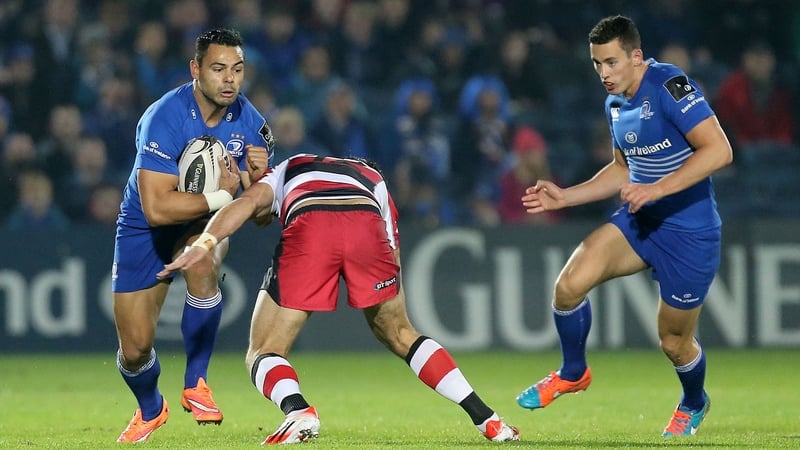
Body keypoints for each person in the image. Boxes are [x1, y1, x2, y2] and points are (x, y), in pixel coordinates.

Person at [157, 154, 520, 444]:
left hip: (312, 226)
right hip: (367, 226)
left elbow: (247, 206)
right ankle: (488, 419)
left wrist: (205, 243)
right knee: (403, 335)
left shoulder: (290, 166)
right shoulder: (374, 180)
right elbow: (392, 256)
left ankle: (297, 411)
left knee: (264, 350)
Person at [514, 15, 733, 438]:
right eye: (597, 65)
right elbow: (621, 170)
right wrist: (566, 195)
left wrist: (656, 189)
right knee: (568, 286)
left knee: (673, 343)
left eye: (612, 63)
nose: (604, 74)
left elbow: (719, 150)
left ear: (636, 57)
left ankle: (693, 401)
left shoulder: (670, 85)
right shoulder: (615, 103)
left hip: (690, 234)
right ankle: (573, 372)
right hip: (642, 223)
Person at [113, 28, 273, 443]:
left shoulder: (252, 124)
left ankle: (196, 383)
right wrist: (225, 192)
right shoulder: (164, 117)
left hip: (200, 227)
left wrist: (257, 186)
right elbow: (157, 207)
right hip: (143, 228)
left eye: (237, 70)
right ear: (196, 69)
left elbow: (258, 220)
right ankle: (151, 408)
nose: (229, 80)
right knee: (134, 351)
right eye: (218, 69)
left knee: (203, 256)